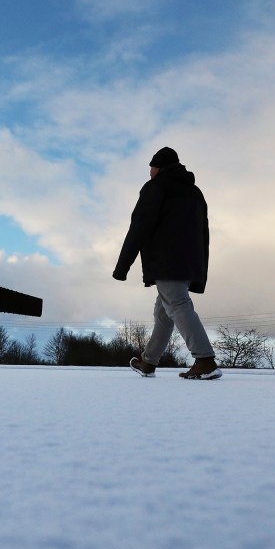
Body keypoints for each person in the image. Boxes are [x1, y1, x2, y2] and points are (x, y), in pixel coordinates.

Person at [113, 147, 222, 380]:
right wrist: (201, 265)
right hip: (190, 260)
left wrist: (122, 267)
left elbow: (139, 227)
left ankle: (205, 360)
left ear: (158, 167)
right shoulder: (195, 192)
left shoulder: (156, 187)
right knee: (163, 311)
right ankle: (148, 362)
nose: (150, 172)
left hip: (166, 260)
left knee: (177, 304)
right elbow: (204, 231)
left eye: (151, 167)